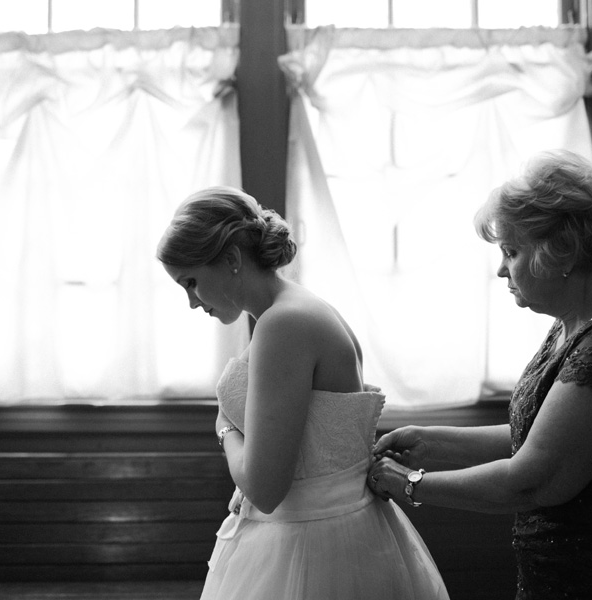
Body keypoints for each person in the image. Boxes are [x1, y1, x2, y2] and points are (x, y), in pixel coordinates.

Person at [368, 150, 592, 600]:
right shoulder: (576, 320)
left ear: (558, 251)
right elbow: (541, 436)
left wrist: (409, 483)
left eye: (511, 251)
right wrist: (428, 440)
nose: (502, 268)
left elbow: (534, 478)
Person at [157, 186, 449, 600]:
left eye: (191, 282)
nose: (191, 302)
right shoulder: (295, 310)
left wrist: (225, 430)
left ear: (231, 259)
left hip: (311, 544)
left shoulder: (283, 324)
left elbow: (265, 489)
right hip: (342, 529)